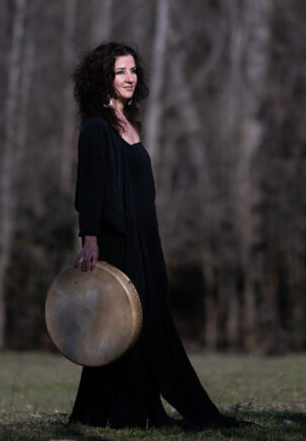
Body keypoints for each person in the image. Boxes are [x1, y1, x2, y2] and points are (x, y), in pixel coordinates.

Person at [68, 42, 238, 429]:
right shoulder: (96, 127)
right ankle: (126, 410)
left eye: (132, 71)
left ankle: (110, 409)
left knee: (148, 317)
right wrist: (89, 238)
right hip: (117, 239)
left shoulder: (129, 122)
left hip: (146, 239)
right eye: (120, 72)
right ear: (102, 79)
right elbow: (89, 187)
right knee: (124, 322)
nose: (129, 78)